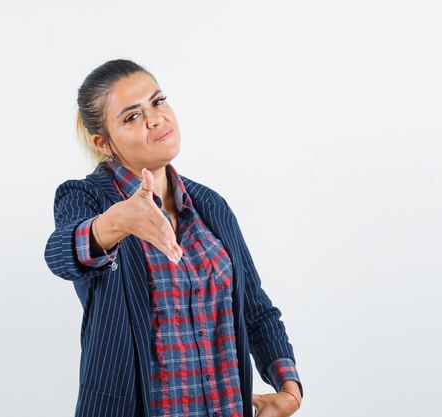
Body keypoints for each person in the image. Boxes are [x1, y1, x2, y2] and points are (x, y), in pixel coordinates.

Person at [44, 59, 303, 417]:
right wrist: (117, 222)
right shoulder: (88, 199)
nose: (154, 119)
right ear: (103, 142)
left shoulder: (209, 204)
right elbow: (60, 254)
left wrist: (288, 389)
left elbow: (256, 310)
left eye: (158, 101)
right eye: (132, 117)